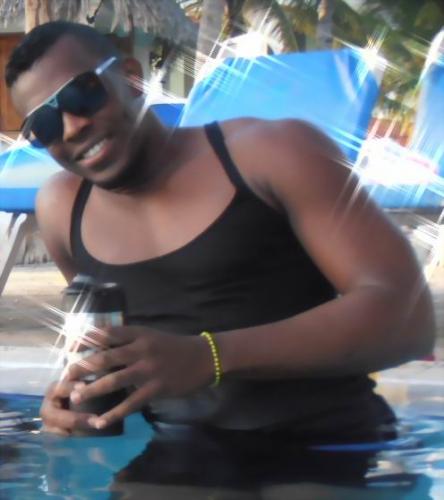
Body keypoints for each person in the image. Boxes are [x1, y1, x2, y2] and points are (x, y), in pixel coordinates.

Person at [5, 20, 435, 471]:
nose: (71, 127)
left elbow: (408, 320)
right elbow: (112, 351)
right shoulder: (61, 208)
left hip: (326, 447)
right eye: (45, 124)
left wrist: (211, 356)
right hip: (177, 456)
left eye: (82, 95)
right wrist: (71, 402)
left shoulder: (272, 152)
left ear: (131, 78)